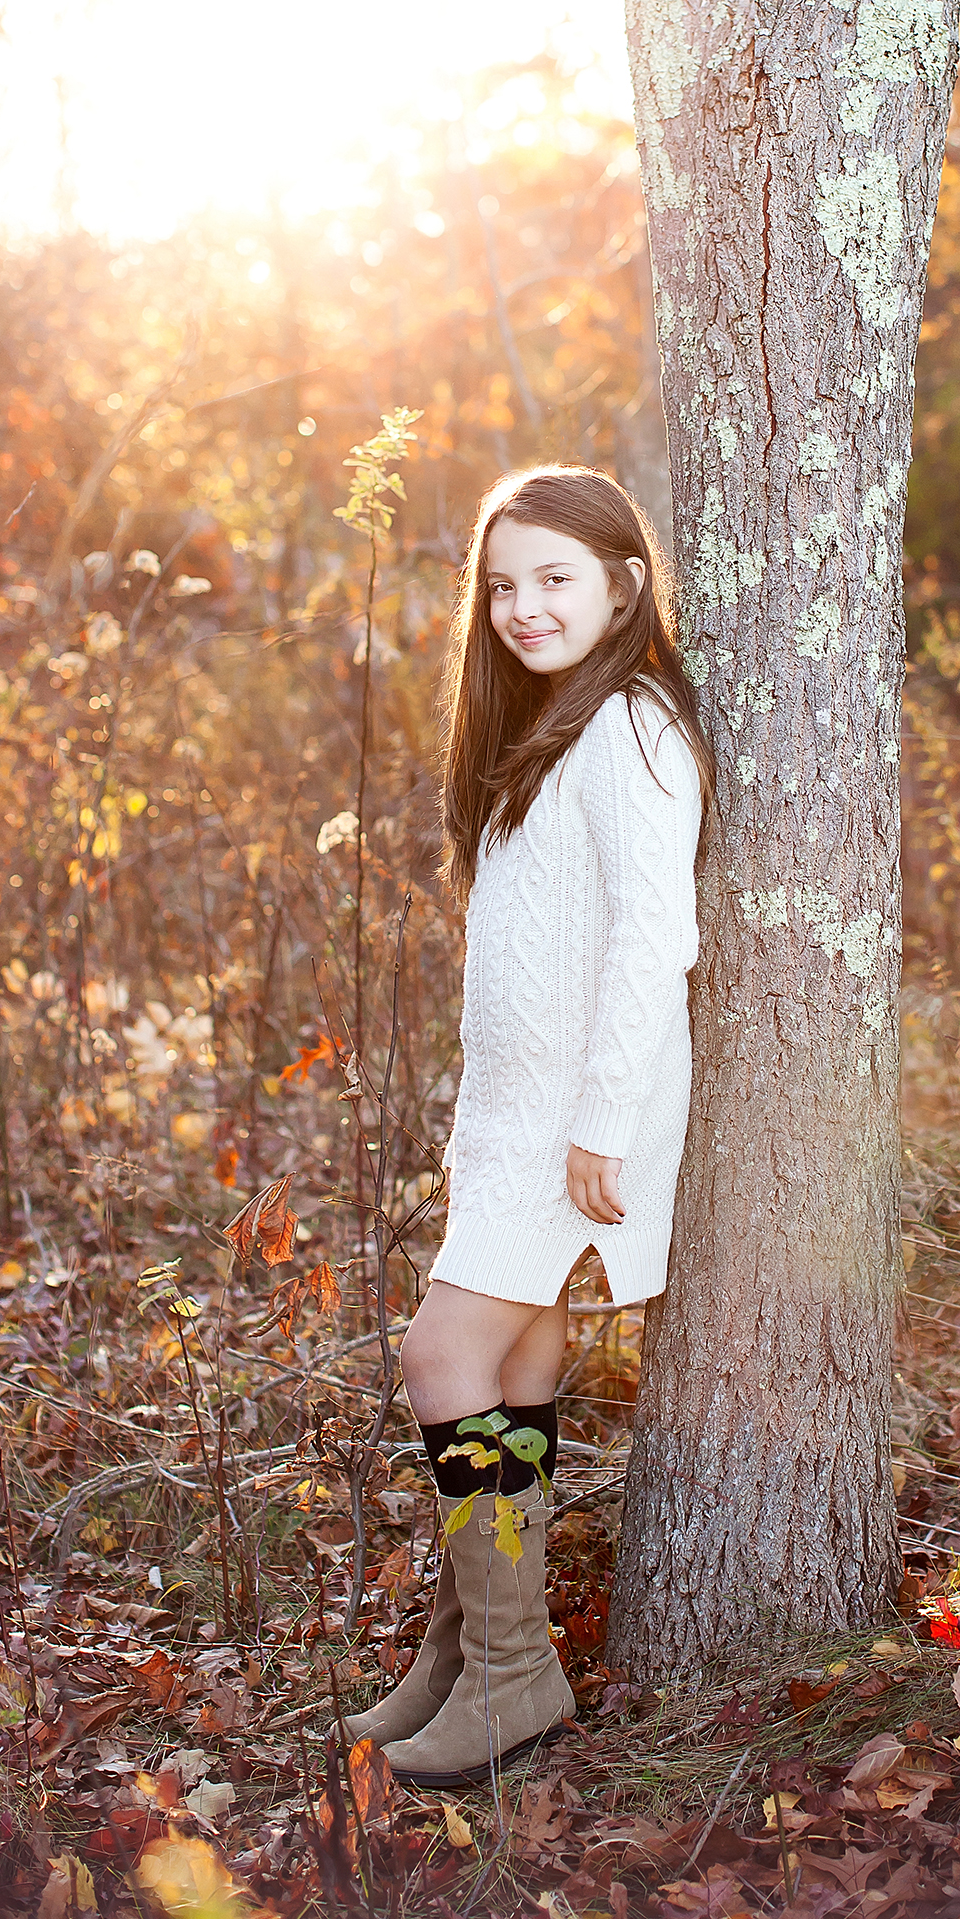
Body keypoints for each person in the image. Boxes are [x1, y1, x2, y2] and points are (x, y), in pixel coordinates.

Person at [345, 465, 711, 1788]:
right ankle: (465, 1655)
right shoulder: (557, 722)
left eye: (554, 577)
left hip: (580, 1124)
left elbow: (651, 939)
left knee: (442, 1359)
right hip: (519, 1120)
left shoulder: (630, 727)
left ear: (623, 581)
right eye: (503, 584)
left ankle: (514, 1668)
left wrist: (603, 1122)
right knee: (511, 1376)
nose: (523, 606)